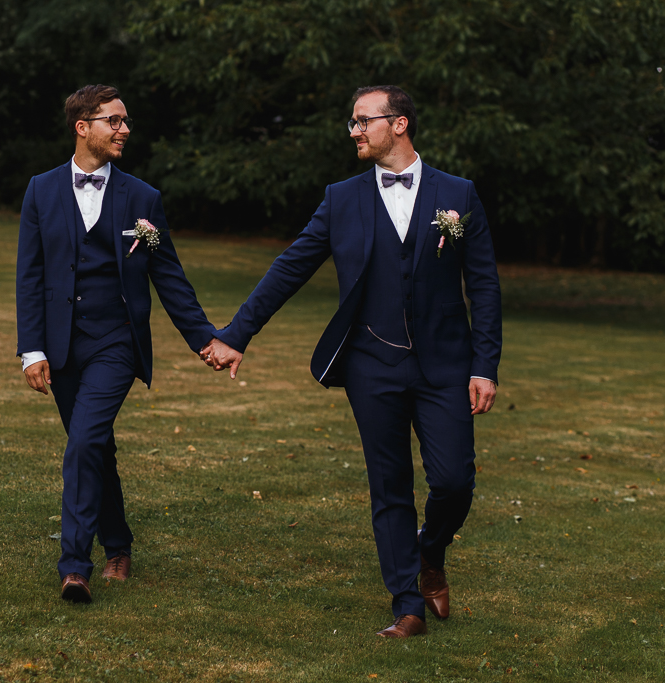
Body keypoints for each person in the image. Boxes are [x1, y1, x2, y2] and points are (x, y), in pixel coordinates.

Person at [201, 85, 502, 638]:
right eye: (353, 123)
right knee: (389, 483)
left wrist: (484, 366)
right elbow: (290, 268)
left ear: (401, 124)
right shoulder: (341, 199)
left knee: (455, 481)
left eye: (364, 121)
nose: (355, 131)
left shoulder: (458, 193)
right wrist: (237, 334)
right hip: (371, 364)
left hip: (445, 367)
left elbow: (483, 286)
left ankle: (429, 553)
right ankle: (406, 604)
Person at [16, 84, 217, 604]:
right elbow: (30, 276)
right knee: (95, 449)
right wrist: (31, 350)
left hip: (116, 342)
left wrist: (205, 340)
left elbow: (168, 276)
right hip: (61, 347)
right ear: (83, 126)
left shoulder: (142, 198)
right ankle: (120, 544)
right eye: (114, 120)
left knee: (83, 442)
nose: (125, 129)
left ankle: (74, 566)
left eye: (125, 120)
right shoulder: (40, 189)